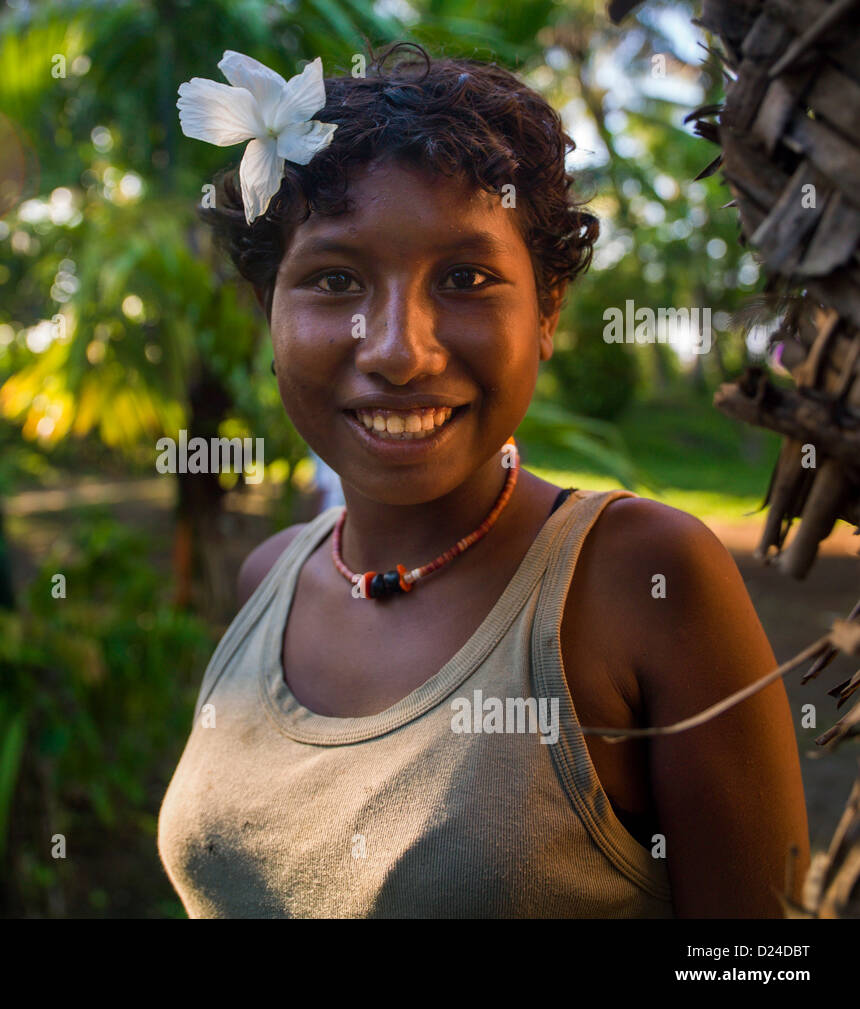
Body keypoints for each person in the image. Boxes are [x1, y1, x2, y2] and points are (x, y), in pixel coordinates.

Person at [156, 42, 809, 917]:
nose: (398, 349)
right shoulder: (267, 577)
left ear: (546, 313)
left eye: (465, 278)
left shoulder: (642, 581)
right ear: (270, 312)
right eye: (335, 277)